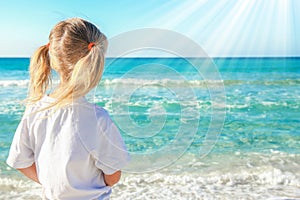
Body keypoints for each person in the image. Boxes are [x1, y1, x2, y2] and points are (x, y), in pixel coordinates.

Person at [6, 18, 130, 200]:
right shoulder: (98, 118)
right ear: (95, 63)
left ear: (52, 57)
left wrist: (52, 182)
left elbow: (20, 162)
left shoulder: (35, 110)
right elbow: (113, 176)